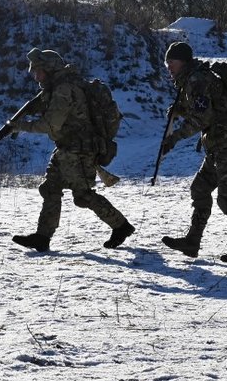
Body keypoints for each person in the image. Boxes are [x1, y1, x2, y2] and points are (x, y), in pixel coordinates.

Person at [10, 48, 135, 252]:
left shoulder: (63, 90)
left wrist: (20, 126)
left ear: (50, 69)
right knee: (50, 188)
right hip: (67, 148)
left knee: (83, 195)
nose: (35, 75)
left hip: (78, 150)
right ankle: (42, 237)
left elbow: (51, 125)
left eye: (38, 70)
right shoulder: (56, 88)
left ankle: (121, 226)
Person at [159, 41, 227, 262]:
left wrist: (174, 138)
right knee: (200, 188)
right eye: (167, 63)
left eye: (172, 62)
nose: (169, 67)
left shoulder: (197, 80)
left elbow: (202, 118)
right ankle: (192, 242)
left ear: (183, 62)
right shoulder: (192, 80)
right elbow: (209, 108)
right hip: (218, 145)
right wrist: (181, 109)